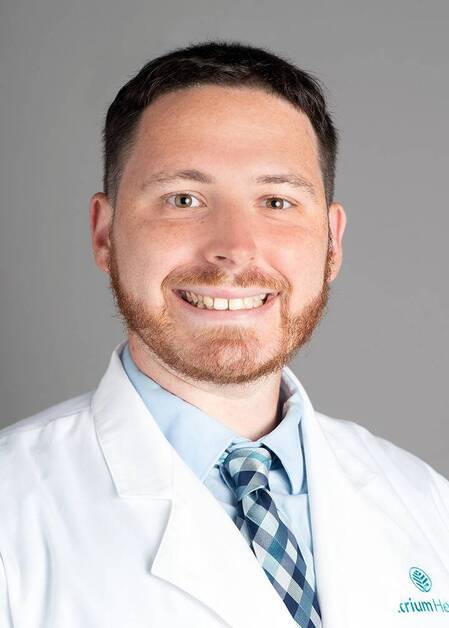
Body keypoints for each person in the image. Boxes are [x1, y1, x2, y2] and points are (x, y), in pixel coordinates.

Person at [0, 41, 448, 628]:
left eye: (277, 201)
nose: (234, 248)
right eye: (183, 199)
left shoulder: (426, 503)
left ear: (332, 243)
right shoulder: (12, 510)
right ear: (104, 233)